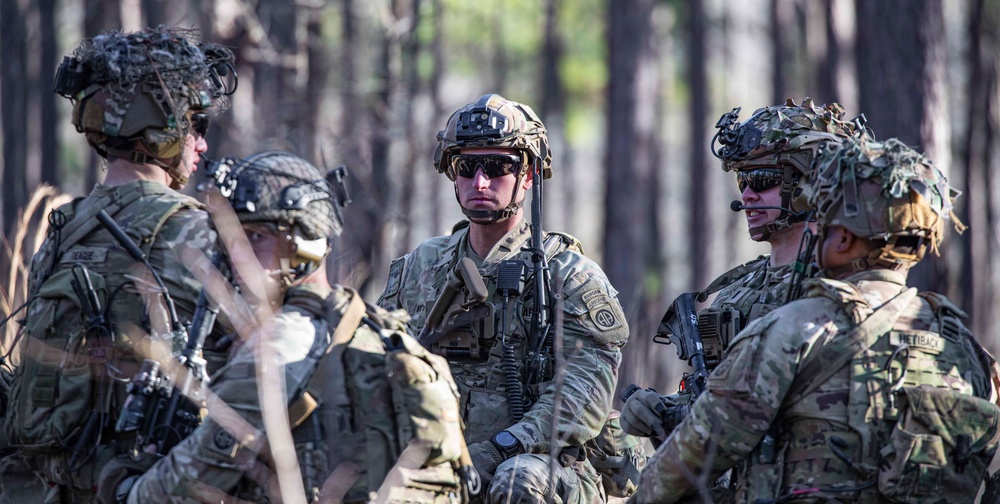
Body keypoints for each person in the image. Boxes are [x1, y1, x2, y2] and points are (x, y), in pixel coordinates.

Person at [636, 136, 1000, 504]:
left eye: (824, 223)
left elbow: (698, 451)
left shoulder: (795, 328)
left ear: (842, 240)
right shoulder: (968, 350)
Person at [122, 151, 468, 504]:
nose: (236, 253)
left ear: (305, 243)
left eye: (256, 236)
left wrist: (123, 484)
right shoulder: (372, 326)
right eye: (232, 237)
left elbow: (177, 489)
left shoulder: (280, 346)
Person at [1, 26, 235, 503]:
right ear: (162, 124)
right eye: (196, 124)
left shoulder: (68, 226)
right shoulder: (196, 233)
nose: (202, 144)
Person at [378, 94, 631, 503]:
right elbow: (378, 361)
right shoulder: (420, 265)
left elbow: (584, 391)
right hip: (436, 456)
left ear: (528, 175)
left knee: (518, 480)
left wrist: (498, 450)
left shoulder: (567, 273)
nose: (480, 181)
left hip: (539, 462)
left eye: (498, 167)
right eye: (466, 167)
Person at [620, 98, 863, 443]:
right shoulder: (738, 292)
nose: (748, 195)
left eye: (763, 179)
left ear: (814, 181)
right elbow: (713, 401)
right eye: (742, 182)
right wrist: (661, 411)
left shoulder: (848, 290)